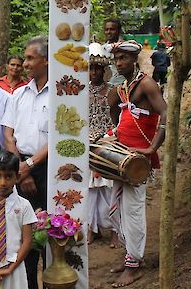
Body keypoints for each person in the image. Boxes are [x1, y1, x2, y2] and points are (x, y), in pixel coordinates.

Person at [107, 40, 167, 288]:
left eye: (123, 59)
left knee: (132, 210)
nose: (118, 63)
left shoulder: (146, 84)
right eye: (116, 59)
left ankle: (133, 265)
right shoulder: (123, 86)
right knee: (119, 207)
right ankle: (131, 255)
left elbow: (165, 113)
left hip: (137, 160)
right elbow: (116, 110)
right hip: (122, 155)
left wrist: (152, 148)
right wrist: (116, 132)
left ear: (134, 60)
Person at [1, 36, 49, 289]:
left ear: (46, 60)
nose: (25, 63)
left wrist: (29, 166)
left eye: (30, 58)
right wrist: (21, 168)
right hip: (19, 169)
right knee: (25, 234)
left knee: (52, 231)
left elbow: (59, 138)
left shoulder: (61, 95)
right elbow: (9, 134)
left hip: (49, 170)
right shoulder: (18, 94)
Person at [0, 151, 36, 289]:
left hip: (15, 266)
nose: (3, 182)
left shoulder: (24, 205)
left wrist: (11, 268)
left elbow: (27, 241)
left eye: (8, 176)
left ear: (17, 177)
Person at [88, 44, 118, 247]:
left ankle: (115, 229)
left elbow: (116, 119)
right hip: (87, 143)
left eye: (98, 68)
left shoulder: (113, 92)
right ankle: (91, 228)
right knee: (89, 190)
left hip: (108, 141)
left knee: (109, 188)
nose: (94, 72)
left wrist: (112, 137)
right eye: (91, 68)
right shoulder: (80, 92)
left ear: (104, 69)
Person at [104, 20, 126, 86]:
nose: (109, 32)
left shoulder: (126, 48)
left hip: (123, 86)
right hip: (106, 87)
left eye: (112, 29)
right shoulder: (102, 49)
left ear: (118, 31)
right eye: (107, 29)